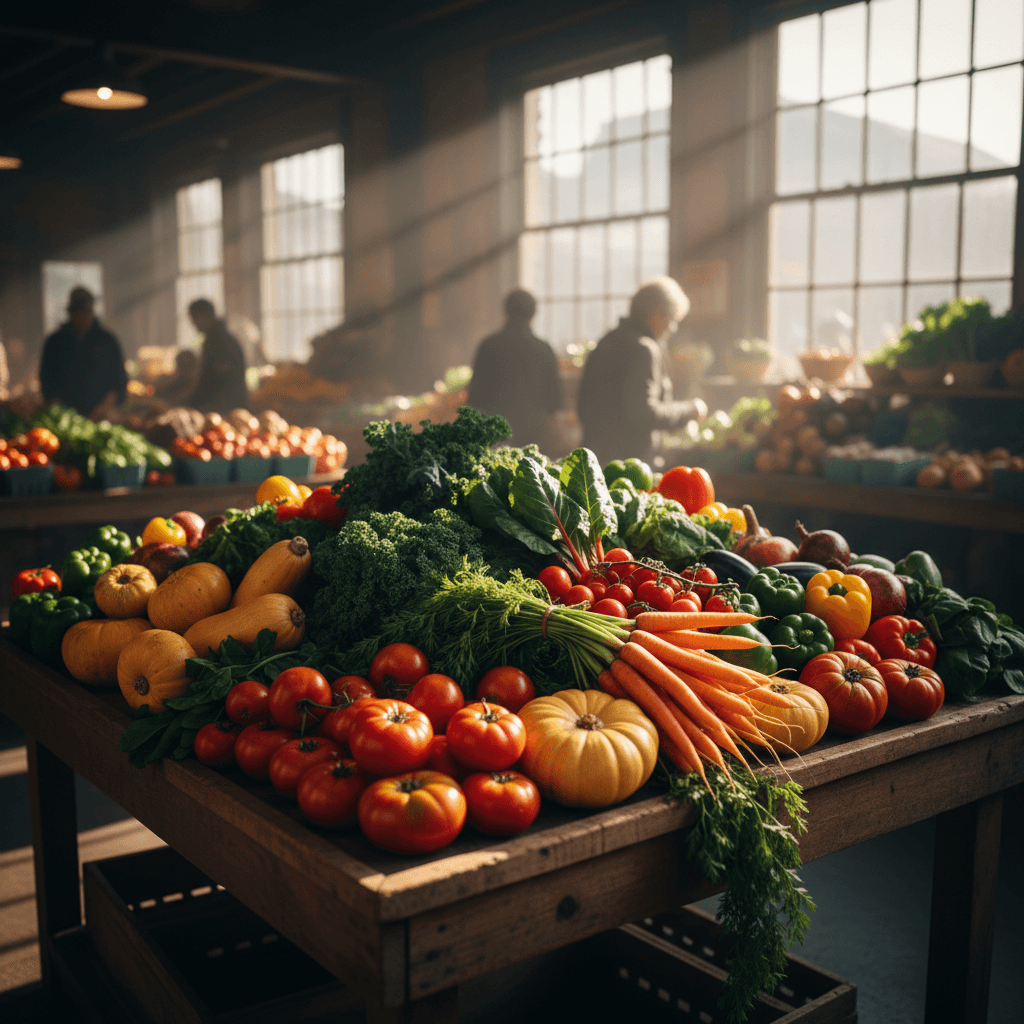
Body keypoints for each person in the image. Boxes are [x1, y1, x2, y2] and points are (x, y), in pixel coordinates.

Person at [577, 276, 706, 465]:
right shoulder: (644, 349)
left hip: (595, 459)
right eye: (671, 320)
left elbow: (582, 406)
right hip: (629, 466)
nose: (672, 328)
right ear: (656, 314)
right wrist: (689, 411)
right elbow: (644, 412)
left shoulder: (605, 342)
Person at [467, 289, 564, 449]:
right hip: (534, 436)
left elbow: (475, 397)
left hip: (496, 433)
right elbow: (556, 400)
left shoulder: (489, 346)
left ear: (505, 312)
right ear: (533, 315)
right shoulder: (544, 349)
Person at [39, 287, 128, 419]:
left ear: (92, 311)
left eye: (86, 311)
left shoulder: (107, 341)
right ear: (71, 313)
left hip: (102, 414)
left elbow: (119, 379)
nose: (83, 316)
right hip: (65, 415)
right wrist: (56, 405)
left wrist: (106, 405)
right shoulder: (55, 342)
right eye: (79, 312)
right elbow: (46, 377)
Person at [186, 299, 249, 412]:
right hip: (219, 407)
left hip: (225, 410)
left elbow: (224, 386)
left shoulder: (221, 342)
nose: (193, 323)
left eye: (194, 318)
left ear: (203, 316)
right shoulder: (215, 339)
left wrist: (194, 407)